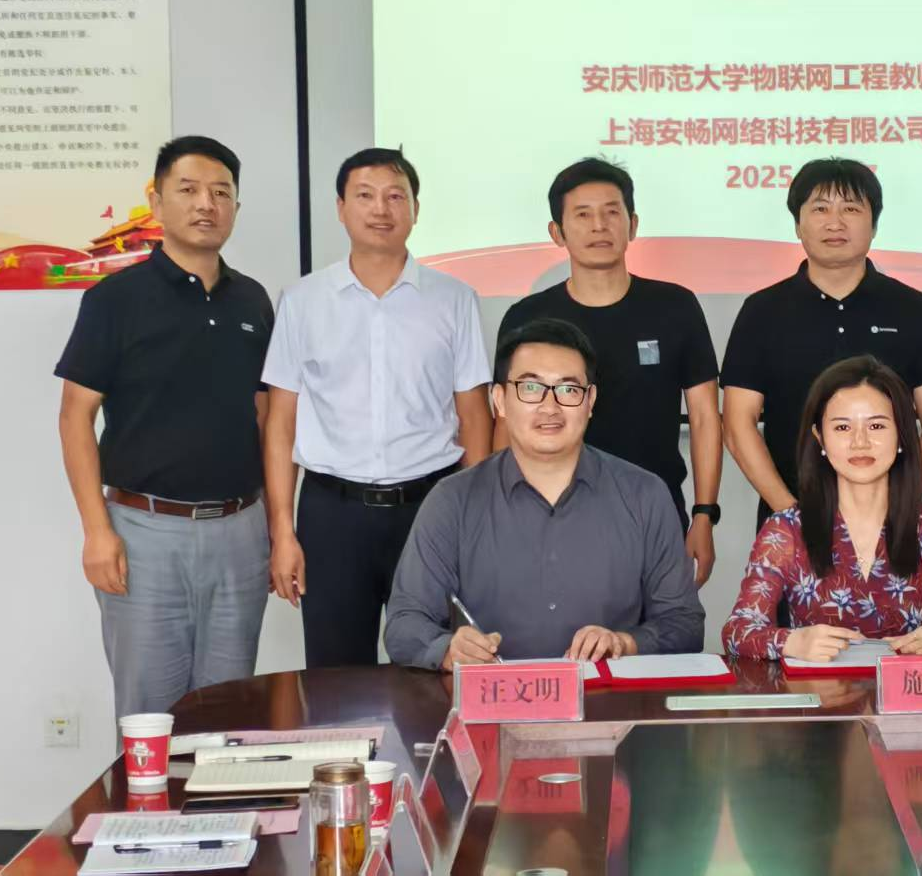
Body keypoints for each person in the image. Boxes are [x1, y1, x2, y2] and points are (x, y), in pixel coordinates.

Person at [56, 136, 274, 717]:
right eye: (189, 189)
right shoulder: (115, 299)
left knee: (227, 714)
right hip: (144, 532)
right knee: (150, 717)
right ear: (156, 202)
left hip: (240, 532)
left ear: (235, 207)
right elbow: (75, 416)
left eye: (221, 193)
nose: (207, 204)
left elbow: (266, 417)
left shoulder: (252, 301)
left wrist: (277, 527)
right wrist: (97, 531)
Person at [261, 147, 492, 668]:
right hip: (331, 513)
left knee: (435, 664)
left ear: (415, 209)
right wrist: (282, 531)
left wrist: (474, 522)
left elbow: (475, 416)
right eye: (365, 195)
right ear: (341, 208)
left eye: (395, 196)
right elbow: (281, 424)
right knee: (336, 675)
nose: (381, 209)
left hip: (429, 509)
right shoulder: (302, 300)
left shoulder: (454, 298)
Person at [384, 318, 703, 666]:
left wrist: (625, 643)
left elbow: (684, 624)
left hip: (605, 698)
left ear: (590, 401)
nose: (550, 407)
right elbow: (405, 624)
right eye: (531, 388)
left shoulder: (644, 496)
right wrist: (448, 649)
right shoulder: (452, 500)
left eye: (568, 390)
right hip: (494, 697)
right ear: (500, 401)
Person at [498, 158, 723, 584]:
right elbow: (506, 424)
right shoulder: (528, 317)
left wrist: (704, 514)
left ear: (632, 225)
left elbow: (704, 416)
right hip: (547, 511)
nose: (599, 226)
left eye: (611, 212)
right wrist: (501, 514)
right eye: (583, 215)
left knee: (661, 623)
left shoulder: (674, 306)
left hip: (655, 510)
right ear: (557, 232)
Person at [722, 355, 922, 661]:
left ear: (901, 434)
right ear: (820, 438)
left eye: (876, 426)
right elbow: (738, 631)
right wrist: (791, 643)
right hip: (818, 691)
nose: (860, 442)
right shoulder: (786, 531)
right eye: (842, 427)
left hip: (910, 689)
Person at [722, 158, 922, 529]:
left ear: (874, 225)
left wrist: (894, 507)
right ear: (797, 224)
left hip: (892, 523)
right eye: (820, 209)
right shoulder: (762, 311)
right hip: (791, 521)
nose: (835, 223)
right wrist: (790, 516)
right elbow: (738, 425)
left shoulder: (912, 308)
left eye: (851, 209)